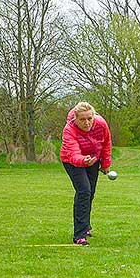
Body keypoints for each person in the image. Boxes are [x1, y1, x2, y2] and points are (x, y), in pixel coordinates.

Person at [60, 102, 112, 246]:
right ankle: (80, 235)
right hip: (72, 160)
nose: (87, 122)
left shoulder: (101, 124)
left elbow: (106, 143)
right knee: (84, 191)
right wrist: (83, 160)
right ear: (75, 119)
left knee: (91, 192)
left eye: (89, 118)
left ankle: (86, 225)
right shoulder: (69, 130)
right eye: (82, 119)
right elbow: (73, 153)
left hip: (93, 158)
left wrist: (106, 164)